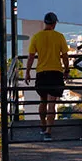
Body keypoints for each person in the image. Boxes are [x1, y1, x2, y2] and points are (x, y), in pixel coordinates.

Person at [24, 12, 70, 141]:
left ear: (45, 23)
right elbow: (65, 56)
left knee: (42, 100)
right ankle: (48, 131)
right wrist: (67, 70)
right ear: (54, 24)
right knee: (52, 103)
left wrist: (27, 72)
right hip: (56, 73)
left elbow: (31, 57)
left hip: (41, 73)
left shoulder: (36, 37)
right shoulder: (59, 37)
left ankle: (43, 124)